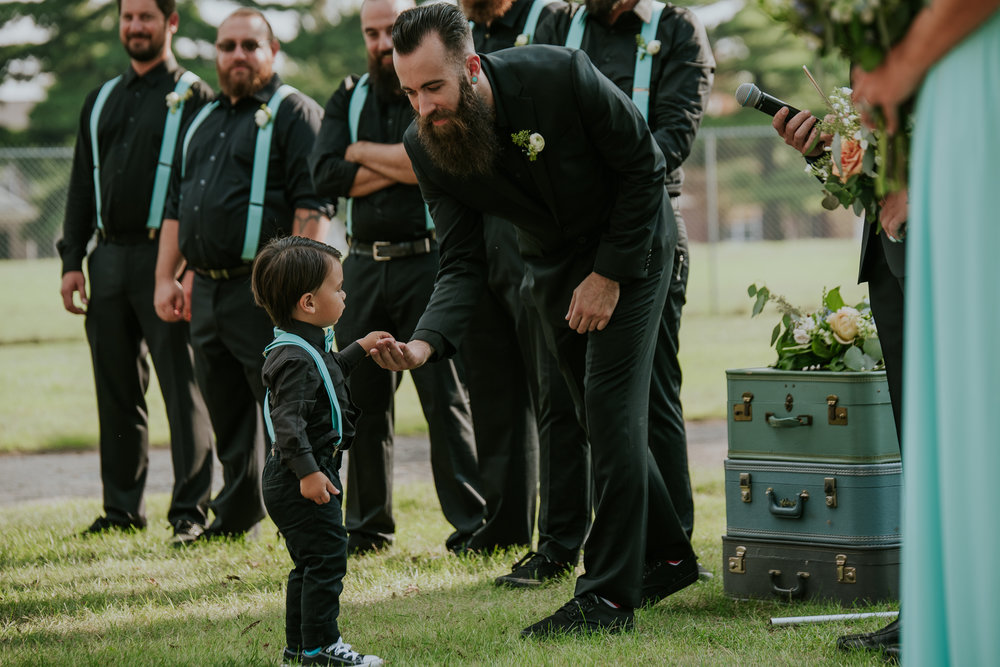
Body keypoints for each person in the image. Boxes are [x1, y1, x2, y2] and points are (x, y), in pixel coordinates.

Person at [375, 3, 699, 636]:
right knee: (586, 409)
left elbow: (644, 168)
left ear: (470, 67)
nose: (423, 107)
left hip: (632, 244)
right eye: (409, 91)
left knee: (609, 408)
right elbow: (462, 264)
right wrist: (422, 346)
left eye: (433, 88)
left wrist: (608, 275)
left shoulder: (560, 74)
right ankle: (667, 557)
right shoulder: (426, 143)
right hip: (552, 270)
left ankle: (606, 596)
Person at [533, 0, 715, 580]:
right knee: (568, 394)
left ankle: (668, 545)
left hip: (648, 229)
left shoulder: (679, 29)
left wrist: (600, 185)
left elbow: (674, 137)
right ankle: (561, 542)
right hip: (568, 236)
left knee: (652, 391)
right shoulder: (558, 23)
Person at [850, 2, 1000, 663]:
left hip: (961, 151)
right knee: (933, 432)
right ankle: (932, 605)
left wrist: (900, 72)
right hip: (896, 209)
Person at [309, 0, 486, 555]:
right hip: (359, 265)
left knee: (443, 397)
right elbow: (324, 172)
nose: (382, 42)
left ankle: (470, 523)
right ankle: (367, 527)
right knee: (359, 397)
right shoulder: (347, 94)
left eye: (390, 30)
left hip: (425, 262)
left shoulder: (432, 91)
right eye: (372, 32)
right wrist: (399, 165)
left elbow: (427, 163)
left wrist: (360, 153)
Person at [154, 7, 332, 541]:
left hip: (264, 293)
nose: (236, 56)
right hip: (204, 289)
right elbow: (176, 206)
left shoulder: (295, 112)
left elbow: (312, 206)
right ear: (215, 53)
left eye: (249, 46)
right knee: (227, 411)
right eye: (227, 46)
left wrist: (297, 297)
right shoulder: (201, 118)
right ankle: (236, 516)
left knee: (289, 408)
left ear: (272, 52)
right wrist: (168, 277)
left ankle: (307, 511)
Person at [57, 0, 214, 544]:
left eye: (147, 16)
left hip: (165, 259)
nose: (135, 26)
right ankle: (121, 509)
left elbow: (199, 186)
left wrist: (187, 266)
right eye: (128, 17)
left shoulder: (195, 95)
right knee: (117, 389)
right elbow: (81, 182)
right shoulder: (100, 98)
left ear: (171, 23)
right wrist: (72, 259)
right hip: (108, 257)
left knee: (181, 385)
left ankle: (191, 511)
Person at [771, 102, 908, 657]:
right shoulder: (868, 27)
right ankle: (928, 608)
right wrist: (828, 155)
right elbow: (872, 161)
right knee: (920, 446)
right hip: (890, 254)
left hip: (958, 241)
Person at [460, 0, 587, 567]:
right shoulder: (454, 33)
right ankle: (503, 521)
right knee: (490, 387)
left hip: (538, 238)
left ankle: (559, 539)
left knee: (554, 392)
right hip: (479, 233)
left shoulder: (556, 21)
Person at [252, 235, 386, 667]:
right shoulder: (293, 357)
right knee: (328, 559)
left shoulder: (306, 343)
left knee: (309, 563)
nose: (344, 293)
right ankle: (321, 647)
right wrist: (309, 474)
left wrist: (360, 348)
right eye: (338, 287)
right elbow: (287, 426)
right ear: (309, 302)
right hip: (299, 475)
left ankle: (299, 648)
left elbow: (328, 374)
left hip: (299, 473)